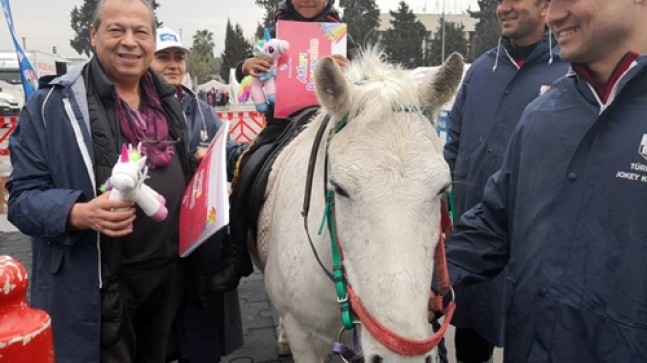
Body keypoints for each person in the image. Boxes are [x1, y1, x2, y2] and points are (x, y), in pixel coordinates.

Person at [441, 0, 647, 361]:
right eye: (550, 2)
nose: (552, 15)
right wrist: (431, 280)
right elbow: (495, 222)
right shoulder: (541, 115)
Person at [6, 0, 193, 362]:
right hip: (97, 280)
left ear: (152, 40)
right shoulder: (52, 106)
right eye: (115, 30)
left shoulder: (169, 101)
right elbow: (21, 200)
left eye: (141, 32)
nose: (130, 42)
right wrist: (77, 213)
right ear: (93, 35)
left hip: (168, 273)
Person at [442, 0, 569, 361]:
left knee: (531, 337)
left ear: (545, 7)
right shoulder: (481, 70)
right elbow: (454, 140)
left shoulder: (568, 70)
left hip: (532, 238)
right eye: (500, 1)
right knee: (471, 339)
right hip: (475, 231)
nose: (503, 8)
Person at [211, 0, 353, 292]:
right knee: (246, 169)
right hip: (281, 124)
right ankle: (236, 252)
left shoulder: (340, 35)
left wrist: (350, 72)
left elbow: (362, 82)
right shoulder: (275, 30)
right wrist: (247, 66)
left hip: (329, 124)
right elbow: (244, 68)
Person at [151, 26, 246, 362]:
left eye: (179, 57)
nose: (173, 64)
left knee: (200, 330)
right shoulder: (136, 109)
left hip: (199, 237)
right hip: (156, 239)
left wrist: (245, 156)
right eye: (164, 57)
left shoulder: (200, 108)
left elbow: (228, 146)